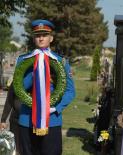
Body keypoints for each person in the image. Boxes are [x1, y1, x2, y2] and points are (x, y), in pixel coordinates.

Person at [14, 19, 75, 155]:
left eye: (44, 35)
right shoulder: (23, 60)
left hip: (52, 121)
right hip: (27, 120)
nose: (41, 38)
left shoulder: (60, 61)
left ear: (51, 38)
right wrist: (34, 73)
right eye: (37, 35)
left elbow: (71, 91)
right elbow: (18, 88)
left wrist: (56, 108)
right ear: (33, 38)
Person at [0, 84, 21, 155]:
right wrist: (3, 120)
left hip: (31, 122)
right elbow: (9, 101)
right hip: (15, 120)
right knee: (15, 149)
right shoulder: (16, 81)